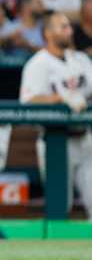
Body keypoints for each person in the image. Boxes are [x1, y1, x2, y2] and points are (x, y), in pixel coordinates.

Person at [19, 12, 92, 218]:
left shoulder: (81, 60)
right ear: (47, 33)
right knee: (61, 206)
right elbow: (28, 101)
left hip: (85, 140)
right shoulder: (37, 64)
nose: (69, 31)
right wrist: (60, 99)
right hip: (55, 142)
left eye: (69, 26)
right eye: (63, 27)